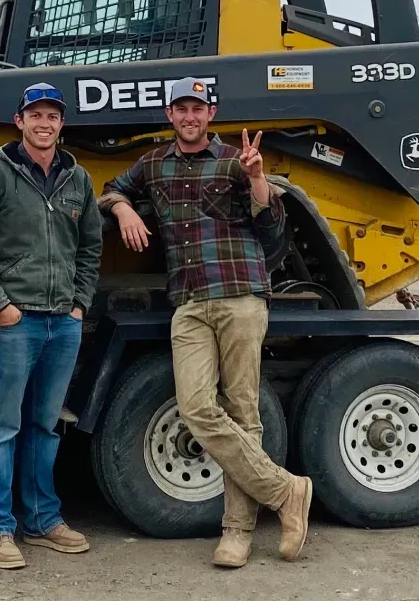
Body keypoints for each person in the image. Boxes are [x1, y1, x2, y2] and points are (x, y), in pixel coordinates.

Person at [96, 76, 313, 569]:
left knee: (243, 412)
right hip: (189, 303)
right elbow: (111, 189)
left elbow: (272, 228)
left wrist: (258, 179)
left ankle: (237, 532)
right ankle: (286, 491)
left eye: (197, 108)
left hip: (240, 298)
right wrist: (127, 209)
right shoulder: (154, 163)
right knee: (195, 406)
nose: (189, 117)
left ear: (209, 114)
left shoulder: (237, 161)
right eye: (181, 109)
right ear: (169, 115)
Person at [0, 82, 103, 570]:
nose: (44, 123)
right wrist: (0, 307)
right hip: (16, 324)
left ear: (62, 124)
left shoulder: (76, 179)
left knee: (45, 425)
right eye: (35, 115)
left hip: (64, 323)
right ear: (19, 121)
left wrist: (79, 304)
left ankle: (42, 520)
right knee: (2, 426)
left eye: (52, 116)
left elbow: (90, 247)